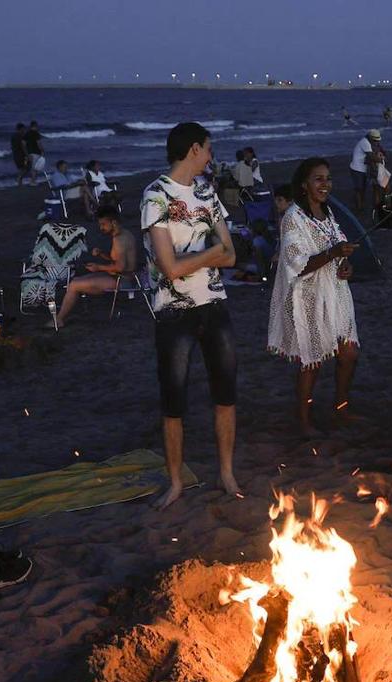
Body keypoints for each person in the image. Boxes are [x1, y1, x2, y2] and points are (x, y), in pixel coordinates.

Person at [140, 122, 240, 510]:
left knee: (226, 393)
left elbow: (231, 254)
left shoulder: (207, 192)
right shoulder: (156, 195)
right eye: (209, 149)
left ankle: (226, 472)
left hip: (214, 304)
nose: (211, 156)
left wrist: (204, 258)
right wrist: (211, 255)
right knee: (173, 399)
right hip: (173, 312)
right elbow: (169, 269)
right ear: (194, 149)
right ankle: (176, 482)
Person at [266, 158, 360, 436]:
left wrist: (345, 265)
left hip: (336, 291)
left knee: (349, 353)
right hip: (307, 295)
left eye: (328, 179)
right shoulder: (293, 218)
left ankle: (341, 408)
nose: (325, 184)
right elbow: (297, 264)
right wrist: (333, 253)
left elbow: (338, 251)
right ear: (305, 184)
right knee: (312, 361)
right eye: (318, 179)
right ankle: (304, 419)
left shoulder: (328, 214)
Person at [56, 205, 137, 328]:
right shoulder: (125, 234)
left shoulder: (120, 240)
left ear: (113, 222)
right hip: (121, 276)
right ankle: (60, 317)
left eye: (103, 224)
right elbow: (120, 261)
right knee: (76, 280)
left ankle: (59, 320)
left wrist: (98, 267)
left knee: (73, 285)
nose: (101, 228)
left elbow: (120, 267)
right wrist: (102, 254)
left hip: (121, 280)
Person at [349, 129, 380, 212]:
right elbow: (371, 156)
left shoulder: (367, 142)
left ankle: (360, 205)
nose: (376, 142)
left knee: (362, 188)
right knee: (359, 189)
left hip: (362, 168)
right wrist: (380, 159)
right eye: (375, 140)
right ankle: (359, 207)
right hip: (357, 169)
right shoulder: (365, 143)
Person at [23, 120, 44, 186]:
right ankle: (33, 181)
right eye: (37, 126)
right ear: (35, 126)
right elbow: (39, 143)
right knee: (35, 168)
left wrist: (26, 152)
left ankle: (32, 181)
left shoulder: (27, 133)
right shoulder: (36, 133)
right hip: (36, 152)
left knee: (32, 167)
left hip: (29, 152)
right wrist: (42, 150)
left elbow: (23, 143)